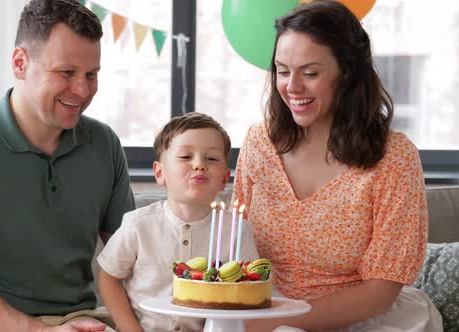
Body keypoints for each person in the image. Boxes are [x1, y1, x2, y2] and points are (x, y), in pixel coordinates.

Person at [0, 1, 135, 331]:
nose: (83, 90)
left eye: (91, 74)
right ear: (20, 63)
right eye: (66, 73)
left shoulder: (104, 144)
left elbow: (132, 258)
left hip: (79, 321)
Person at [232, 1, 443, 331]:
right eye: (283, 71)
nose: (292, 87)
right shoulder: (258, 143)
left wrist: (271, 323)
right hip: (272, 313)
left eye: (310, 73)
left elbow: (380, 293)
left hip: (363, 319)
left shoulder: (395, 158)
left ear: (347, 73)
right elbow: (233, 246)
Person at [97, 112, 261, 332]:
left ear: (224, 178)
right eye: (185, 157)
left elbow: (250, 289)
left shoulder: (237, 231)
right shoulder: (138, 225)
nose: (199, 165)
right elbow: (109, 277)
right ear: (160, 172)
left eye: (211, 158)